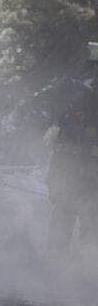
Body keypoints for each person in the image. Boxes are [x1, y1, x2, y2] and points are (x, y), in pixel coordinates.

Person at [46, 42, 98, 252]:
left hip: (76, 176)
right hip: (78, 176)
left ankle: (77, 272)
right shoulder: (83, 97)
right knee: (84, 225)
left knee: (80, 226)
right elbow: (64, 143)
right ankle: (75, 273)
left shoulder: (77, 94)